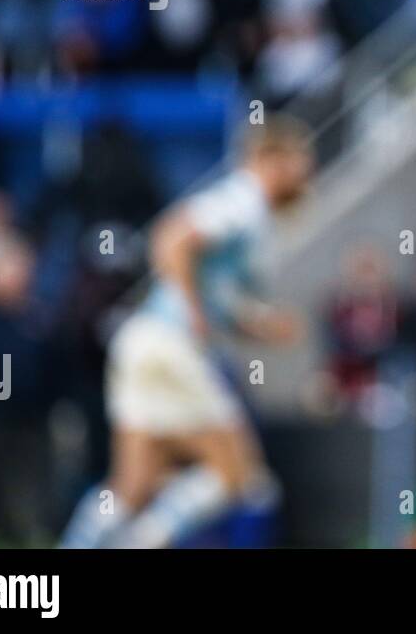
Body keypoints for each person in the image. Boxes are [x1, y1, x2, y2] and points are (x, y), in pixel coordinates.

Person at [61, 115, 313, 547]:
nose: (306, 173)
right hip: (168, 345)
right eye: (299, 161)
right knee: (239, 475)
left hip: (142, 343)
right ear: (272, 159)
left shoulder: (252, 214)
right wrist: (194, 313)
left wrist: (262, 328)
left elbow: (217, 299)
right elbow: (171, 237)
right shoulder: (243, 200)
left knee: (134, 485)